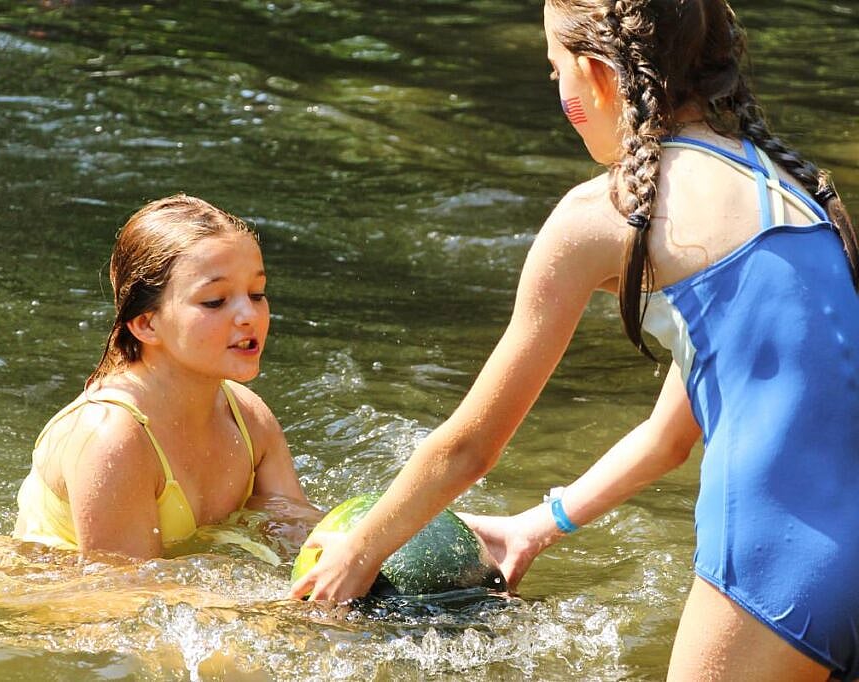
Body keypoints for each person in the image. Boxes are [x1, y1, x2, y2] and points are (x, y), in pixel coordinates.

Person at [289, 1, 859, 679]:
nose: (557, 85)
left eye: (553, 67)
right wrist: (539, 522)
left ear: (594, 74)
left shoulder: (602, 213)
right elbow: (667, 438)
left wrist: (359, 553)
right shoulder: (795, 189)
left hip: (774, 568)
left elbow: (471, 446)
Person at [13, 194, 314, 559]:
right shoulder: (112, 438)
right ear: (146, 323)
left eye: (256, 293)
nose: (248, 315)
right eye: (215, 301)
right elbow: (126, 595)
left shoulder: (250, 420)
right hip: (46, 604)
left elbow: (302, 537)